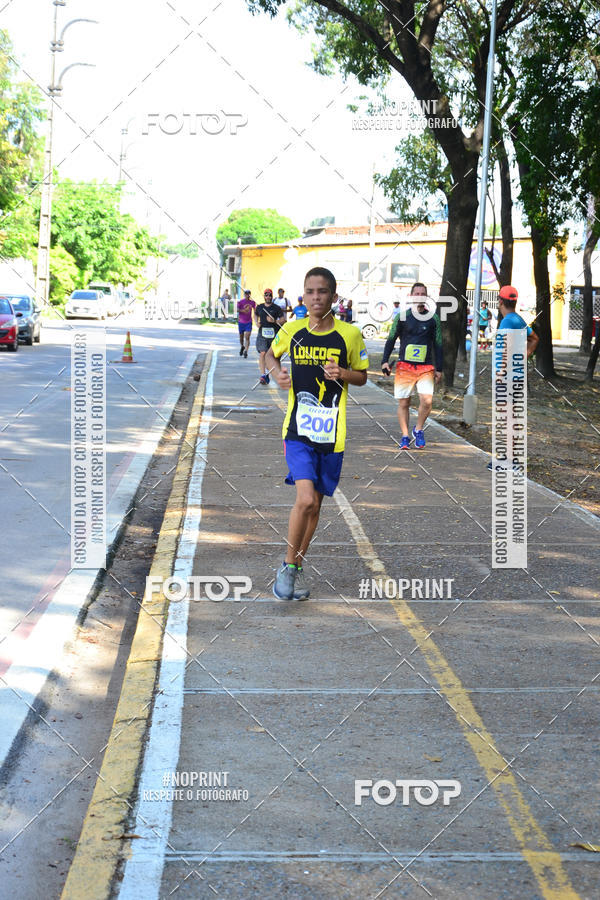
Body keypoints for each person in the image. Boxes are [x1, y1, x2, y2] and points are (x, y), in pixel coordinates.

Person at [266, 266, 369, 601]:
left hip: (332, 435)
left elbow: (363, 376)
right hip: (297, 430)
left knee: (316, 507)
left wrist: (344, 373)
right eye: (309, 292)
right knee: (305, 499)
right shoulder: (293, 330)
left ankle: (295, 568)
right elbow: (268, 354)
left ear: (333, 297)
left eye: (321, 292)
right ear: (303, 295)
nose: (315, 298)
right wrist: (275, 372)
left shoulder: (349, 336)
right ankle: (286, 565)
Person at [380, 282, 442, 450]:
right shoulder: (401, 317)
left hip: (426, 367)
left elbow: (438, 344)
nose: (420, 296)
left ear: (427, 297)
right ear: (411, 296)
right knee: (404, 403)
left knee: (427, 401)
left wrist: (440, 368)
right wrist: (385, 360)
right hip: (405, 367)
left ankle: (418, 429)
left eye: (423, 293)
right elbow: (391, 339)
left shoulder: (433, 319)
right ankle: (405, 436)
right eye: (417, 293)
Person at [487, 284, 539, 471]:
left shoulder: (507, 321)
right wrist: (525, 355)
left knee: (506, 418)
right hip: (517, 376)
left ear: (500, 301)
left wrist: (500, 372)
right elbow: (534, 339)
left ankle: (508, 461)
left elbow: (506, 348)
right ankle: (513, 459)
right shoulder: (518, 319)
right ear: (514, 301)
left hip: (507, 379)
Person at [255, 288, 285, 384]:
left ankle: (267, 373)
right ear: (264, 296)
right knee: (263, 353)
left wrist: (274, 321)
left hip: (273, 335)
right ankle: (263, 375)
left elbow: (283, 320)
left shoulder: (277, 308)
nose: (268, 297)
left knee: (271, 356)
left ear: (272, 296)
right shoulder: (259, 307)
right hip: (262, 334)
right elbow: (255, 315)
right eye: (266, 295)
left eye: (270, 295)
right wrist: (256, 322)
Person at [237, 289, 255, 357]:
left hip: (248, 322)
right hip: (241, 322)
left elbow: (255, 310)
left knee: (247, 337)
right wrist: (243, 310)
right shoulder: (241, 302)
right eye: (246, 294)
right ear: (244, 294)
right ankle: (242, 346)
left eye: (249, 294)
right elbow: (237, 310)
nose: (247, 295)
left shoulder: (252, 302)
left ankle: (246, 351)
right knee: (241, 338)